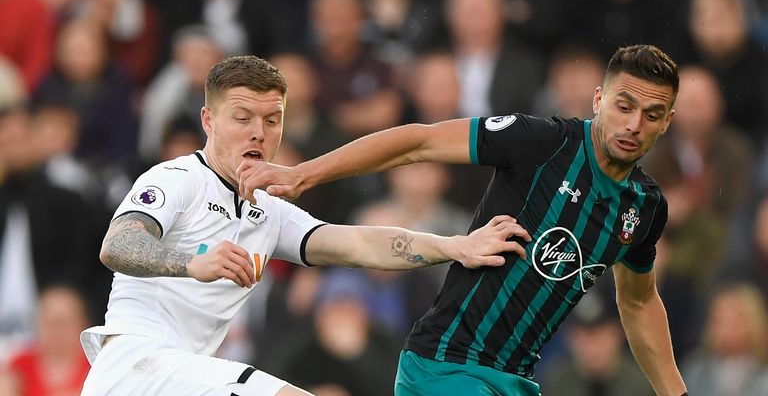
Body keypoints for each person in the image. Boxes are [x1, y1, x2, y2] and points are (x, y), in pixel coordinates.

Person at [239, 44, 689, 395]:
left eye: (651, 115)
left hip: (515, 382)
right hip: (446, 365)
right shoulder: (543, 142)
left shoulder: (644, 207)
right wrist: (303, 174)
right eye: (623, 106)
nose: (633, 125)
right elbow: (420, 142)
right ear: (598, 99)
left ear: (667, 122)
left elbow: (639, 302)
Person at [78, 55, 530, 396]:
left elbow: (358, 244)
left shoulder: (268, 212)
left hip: (183, 373)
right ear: (208, 121)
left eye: (272, 120)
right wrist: (194, 262)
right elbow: (117, 245)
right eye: (242, 118)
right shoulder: (176, 179)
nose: (259, 132)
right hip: (136, 366)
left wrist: (456, 246)